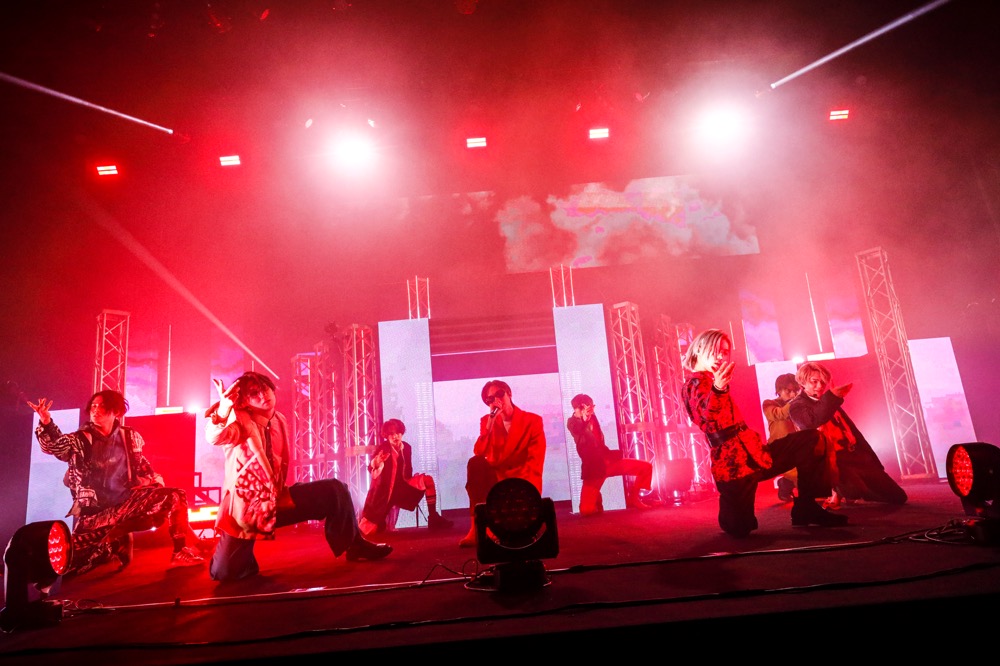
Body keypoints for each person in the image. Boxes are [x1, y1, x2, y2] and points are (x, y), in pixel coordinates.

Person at [205, 372, 391, 581]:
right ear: (244, 401)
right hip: (247, 509)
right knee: (224, 573)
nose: (263, 395)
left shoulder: (279, 420)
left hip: (277, 499)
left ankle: (354, 544)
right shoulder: (237, 420)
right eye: (254, 394)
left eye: (265, 389)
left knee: (335, 489)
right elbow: (215, 436)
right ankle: (236, 558)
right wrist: (223, 410)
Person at [681, 329, 847, 537]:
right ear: (699, 349)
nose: (721, 356)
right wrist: (719, 389)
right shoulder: (695, 384)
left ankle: (806, 507)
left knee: (811, 439)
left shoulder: (712, 381)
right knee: (738, 528)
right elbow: (706, 416)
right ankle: (738, 514)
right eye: (717, 350)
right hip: (734, 466)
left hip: (757, 455)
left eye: (725, 352)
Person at [30, 391, 206, 575]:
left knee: (175, 495)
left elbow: (142, 465)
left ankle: (179, 551)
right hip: (95, 515)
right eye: (93, 406)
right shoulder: (80, 439)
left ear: (116, 412)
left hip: (126, 504)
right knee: (72, 568)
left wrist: (151, 479)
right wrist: (46, 422)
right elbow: (55, 446)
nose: (95, 410)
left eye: (102, 406)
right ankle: (111, 546)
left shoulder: (129, 437)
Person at [789, 362, 907, 505]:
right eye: (814, 382)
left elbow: (849, 430)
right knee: (853, 490)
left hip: (854, 455)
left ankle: (848, 490)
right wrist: (832, 396)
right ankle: (839, 491)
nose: (820, 386)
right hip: (834, 460)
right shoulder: (797, 405)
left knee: (898, 497)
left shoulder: (828, 401)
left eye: (823, 382)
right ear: (803, 382)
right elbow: (813, 420)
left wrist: (868, 457)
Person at [459, 380, 546, 547]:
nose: (496, 400)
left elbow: (536, 459)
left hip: (522, 475)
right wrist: (490, 425)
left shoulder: (532, 420)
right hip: (497, 476)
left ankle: (524, 525)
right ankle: (476, 527)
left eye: (499, 394)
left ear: (509, 393)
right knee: (475, 463)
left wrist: (529, 485)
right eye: (490, 399)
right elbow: (479, 452)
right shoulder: (487, 421)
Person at [359, 419, 453, 534]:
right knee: (369, 531)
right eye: (391, 434)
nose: (395, 437)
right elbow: (372, 467)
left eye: (398, 433)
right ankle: (380, 524)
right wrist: (378, 461)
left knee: (427, 480)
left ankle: (433, 517)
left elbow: (407, 471)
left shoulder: (407, 447)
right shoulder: (383, 448)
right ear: (387, 436)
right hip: (384, 493)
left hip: (402, 488)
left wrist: (414, 479)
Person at [566, 393, 654, 515]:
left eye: (591, 407)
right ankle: (596, 500)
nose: (590, 410)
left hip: (608, 461)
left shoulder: (592, 417)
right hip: (594, 469)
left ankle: (634, 498)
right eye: (585, 407)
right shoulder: (572, 422)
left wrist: (588, 417)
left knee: (646, 467)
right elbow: (578, 430)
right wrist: (584, 420)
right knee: (586, 511)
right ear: (577, 408)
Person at [762, 373, 801, 502]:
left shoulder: (798, 404)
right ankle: (787, 483)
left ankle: (786, 483)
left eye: (796, 390)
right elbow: (778, 414)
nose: (793, 394)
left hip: (799, 444)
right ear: (779, 390)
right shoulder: (769, 404)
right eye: (788, 391)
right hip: (781, 448)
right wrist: (797, 400)